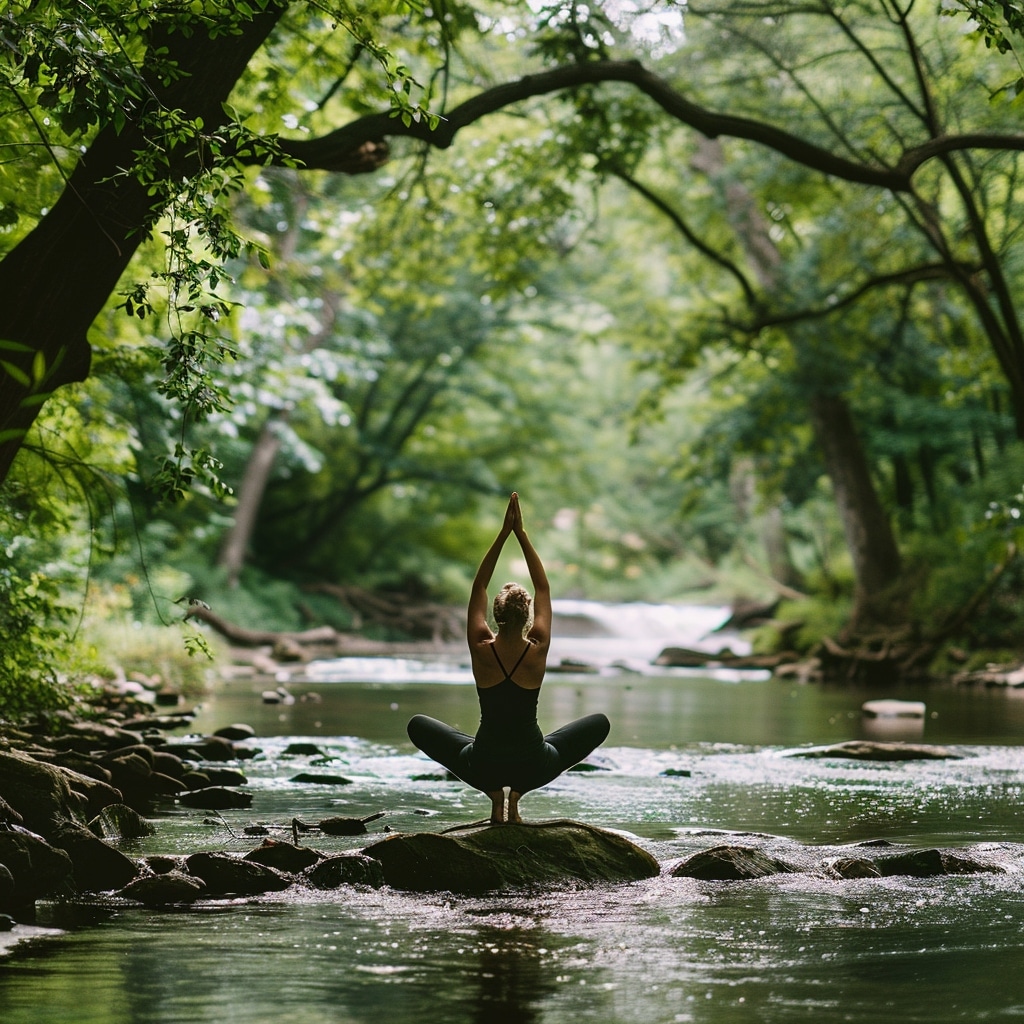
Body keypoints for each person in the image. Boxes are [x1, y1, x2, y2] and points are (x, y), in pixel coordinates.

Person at [407, 493, 610, 824]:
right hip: (532, 764)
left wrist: (503, 534)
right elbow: (543, 588)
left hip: (484, 763)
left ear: (496, 614)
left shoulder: (480, 645)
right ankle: (516, 797)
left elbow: (479, 587)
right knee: (597, 723)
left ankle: (492, 794)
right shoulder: (538, 647)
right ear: (527, 613)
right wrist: (522, 534)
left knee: (421, 726)